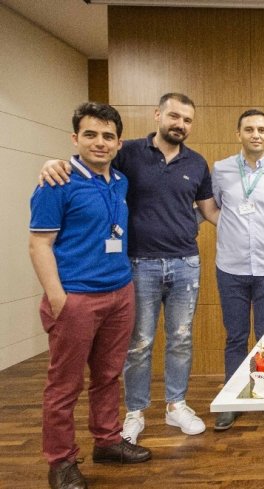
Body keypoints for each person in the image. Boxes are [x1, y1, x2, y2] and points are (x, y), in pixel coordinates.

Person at [39, 93, 219, 444]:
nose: (180, 124)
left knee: (181, 339)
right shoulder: (128, 152)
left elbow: (209, 210)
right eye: (174, 116)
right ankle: (135, 411)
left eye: (187, 120)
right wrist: (52, 163)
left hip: (185, 263)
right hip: (139, 263)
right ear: (157, 115)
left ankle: (176, 405)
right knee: (139, 342)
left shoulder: (197, 163)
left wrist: (248, 229)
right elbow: (91, 164)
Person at [30, 103, 151, 489]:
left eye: (108, 136)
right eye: (91, 134)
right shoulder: (57, 182)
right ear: (75, 138)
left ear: (118, 143)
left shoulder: (120, 181)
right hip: (76, 299)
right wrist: (58, 299)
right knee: (64, 385)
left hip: (120, 292)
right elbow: (39, 244)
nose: (100, 142)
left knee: (109, 375)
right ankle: (61, 461)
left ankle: (107, 440)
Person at [212, 109, 264, 431]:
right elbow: (212, 208)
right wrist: (231, 228)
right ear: (239, 134)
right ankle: (232, 400)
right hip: (230, 267)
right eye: (249, 129)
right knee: (235, 337)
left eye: (262, 129)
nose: (256, 134)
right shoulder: (220, 170)